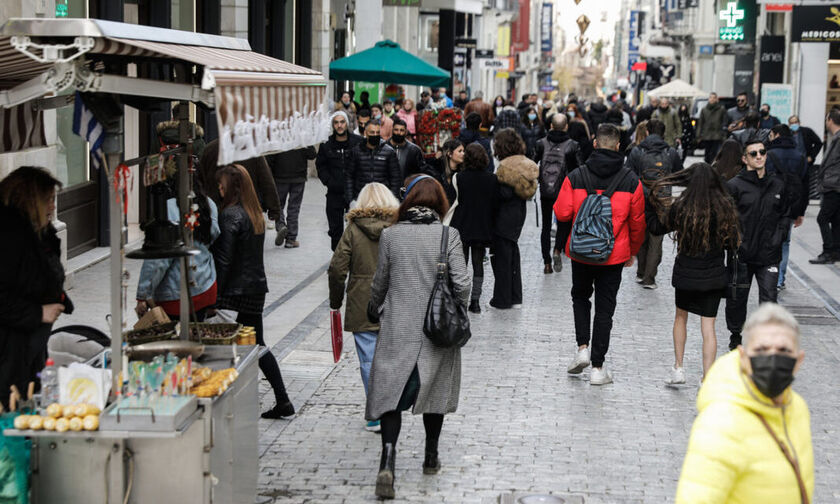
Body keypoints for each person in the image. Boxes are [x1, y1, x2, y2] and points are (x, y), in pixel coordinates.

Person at [366, 174, 470, 499]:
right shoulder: (448, 236)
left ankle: (387, 460)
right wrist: (457, 309)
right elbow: (463, 284)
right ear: (440, 202)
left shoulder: (390, 236)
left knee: (390, 394)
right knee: (435, 393)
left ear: (407, 201)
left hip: (398, 326)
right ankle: (430, 456)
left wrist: (374, 308)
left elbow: (380, 282)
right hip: (436, 330)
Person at [675, 303, 813, 504]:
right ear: (744, 357)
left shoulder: (797, 409)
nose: (772, 358)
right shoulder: (721, 423)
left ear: (798, 360)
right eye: (762, 349)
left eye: (783, 349)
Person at [554, 124, 646, 385]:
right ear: (618, 146)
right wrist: (633, 252)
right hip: (613, 254)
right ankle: (597, 367)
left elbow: (561, 213)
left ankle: (582, 348)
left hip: (582, 252)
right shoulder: (631, 181)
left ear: (594, 143)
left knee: (580, 298)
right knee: (605, 309)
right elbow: (638, 222)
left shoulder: (576, 176)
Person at [647, 163, 741, 384]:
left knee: (681, 317)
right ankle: (707, 377)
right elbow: (733, 244)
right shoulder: (724, 208)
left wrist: (650, 203)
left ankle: (679, 368)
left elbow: (656, 227)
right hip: (714, 275)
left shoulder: (682, 208)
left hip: (686, 273)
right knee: (708, 327)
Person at [212, 164, 293, 418]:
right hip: (255, 287)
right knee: (256, 344)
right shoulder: (253, 212)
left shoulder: (230, 215)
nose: (219, 188)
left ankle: (229, 402)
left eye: (222, 184)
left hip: (236, 292)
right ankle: (282, 400)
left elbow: (224, 260)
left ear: (232, 187)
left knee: (232, 346)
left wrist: (214, 296)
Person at [328, 182, 399, 433]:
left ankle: (375, 414)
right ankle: (390, 407)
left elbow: (337, 269)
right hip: (394, 298)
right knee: (390, 357)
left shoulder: (353, 229)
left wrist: (335, 302)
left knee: (369, 359)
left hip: (362, 299)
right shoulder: (397, 228)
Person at [0, 166, 72, 410]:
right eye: (49, 200)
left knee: (29, 399)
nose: (53, 207)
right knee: (11, 410)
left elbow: (47, 273)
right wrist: (38, 313)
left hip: (30, 344)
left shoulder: (38, 231)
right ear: (31, 200)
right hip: (8, 349)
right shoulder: (9, 235)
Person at [725, 137, 790, 351]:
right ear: (745, 159)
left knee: (770, 298)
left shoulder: (777, 184)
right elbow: (727, 217)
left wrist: (778, 237)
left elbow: (784, 215)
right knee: (737, 298)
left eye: (762, 152)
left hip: (769, 254)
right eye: (754, 153)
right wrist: (736, 241)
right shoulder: (735, 185)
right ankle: (736, 335)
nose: (759, 156)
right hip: (741, 254)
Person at [136, 173, 219, 320]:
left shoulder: (169, 211)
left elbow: (159, 260)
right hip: (206, 284)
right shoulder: (209, 204)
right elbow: (214, 235)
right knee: (196, 335)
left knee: (176, 339)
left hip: (176, 295)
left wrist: (144, 294)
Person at [625, 118, 682, 288]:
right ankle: (650, 278)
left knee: (641, 235)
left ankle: (641, 272)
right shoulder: (671, 152)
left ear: (647, 132)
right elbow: (679, 174)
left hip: (640, 197)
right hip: (662, 198)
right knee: (656, 238)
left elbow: (628, 174)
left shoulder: (637, 151)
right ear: (663, 133)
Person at [489, 128, 539, 310]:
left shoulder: (506, 166)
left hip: (504, 215)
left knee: (502, 258)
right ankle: (515, 296)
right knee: (512, 254)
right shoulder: (523, 163)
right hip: (518, 213)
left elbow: (504, 193)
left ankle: (502, 298)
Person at [200, 139, 282, 243]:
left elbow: (200, 179)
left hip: (218, 208)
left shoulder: (210, 149)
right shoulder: (251, 149)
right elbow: (266, 180)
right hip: (247, 207)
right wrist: (274, 209)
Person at [450, 144, 497, 313]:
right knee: (478, 263)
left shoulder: (459, 177)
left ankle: (460, 299)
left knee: (460, 264)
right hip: (482, 226)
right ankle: (475, 301)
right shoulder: (491, 179)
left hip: (462, 225)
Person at [534, 113, 583, 274]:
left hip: (545, 191)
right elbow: (578, 168)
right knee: (564, 223)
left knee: (546, 226)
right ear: (566, 126)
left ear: (551, 126)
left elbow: (533, 164)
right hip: (564, 191)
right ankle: (557, 250)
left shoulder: (540, 143)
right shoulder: (572, 145)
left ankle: (546, 263)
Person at [765, 124, 809, 289]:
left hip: (772, 205)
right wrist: (801, 212)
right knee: (785, 242)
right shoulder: (801, 156)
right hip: (792, 206)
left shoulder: (769, 155)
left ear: (776, 135)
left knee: (769, 239)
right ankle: (780, 279)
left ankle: (769, 275)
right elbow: (806, 187)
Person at [317, 111, 364, 251]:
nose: (339, 125)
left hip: (354, 193)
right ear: (333, 125)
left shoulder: (358, 142)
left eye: (342, 122)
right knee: (335, 232)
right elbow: (321, 166)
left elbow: (364, 162)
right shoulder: (326, 145)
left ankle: (354, 262)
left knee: (357, 230)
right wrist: (329, 181)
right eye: (336, 122)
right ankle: (338, 264)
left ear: (347, 124)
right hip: (334, 193)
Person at [267, 146, 317, 248]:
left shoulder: (279, 135)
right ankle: (291, 239)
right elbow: (312, 154)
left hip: (279, 176)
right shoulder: (302, 135)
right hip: (298, 177)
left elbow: (270, 158)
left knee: (278, 205)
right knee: (294, 208)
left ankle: (280, 225)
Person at [345, 120, 401, 205]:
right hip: (361, 199)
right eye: (372, 132)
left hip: (383, 200)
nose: (375, 135)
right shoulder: (356, 151)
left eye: (377, 132)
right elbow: (349, 176)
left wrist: (392, 199)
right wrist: (351, 200)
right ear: (365, 133)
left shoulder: (389, 152)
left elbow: (395, 178)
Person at [811, 108, 840, 264]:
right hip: (833, 184)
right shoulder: (835, 138)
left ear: (830, 120)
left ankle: (828, 251)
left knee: (822, 218)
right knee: (835, 219)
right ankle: (835, 251)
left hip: (834, 186)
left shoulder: (838, 138)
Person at [427, 139, 464, 203]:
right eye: (460, 151)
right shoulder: (438, 170)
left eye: (463, 151)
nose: (463, 154)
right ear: (449, 154)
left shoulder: (463, 172)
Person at [696, 92, 728, 163]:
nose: (712, 99)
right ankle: (708, 168)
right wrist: (698, 136)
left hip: (717, 135)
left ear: (717, 99)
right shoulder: (704, 110)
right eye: (711, 97)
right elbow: (700, 123)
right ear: (708, 99)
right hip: (706, 135)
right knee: (707, 154)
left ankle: (712, 168)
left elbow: (724, 122)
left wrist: (723, 135)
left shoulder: (721, 109)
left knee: (715, 154)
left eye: (714, 98)